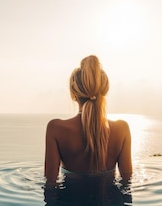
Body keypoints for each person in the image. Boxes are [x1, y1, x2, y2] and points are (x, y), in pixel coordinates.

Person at [44, 55, 132, 186]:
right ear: (105, 90)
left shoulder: (56, 128)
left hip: (70, 204)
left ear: (74, 94)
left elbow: (50, 183)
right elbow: (127, 182)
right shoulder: (122, 128)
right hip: (110, 204)